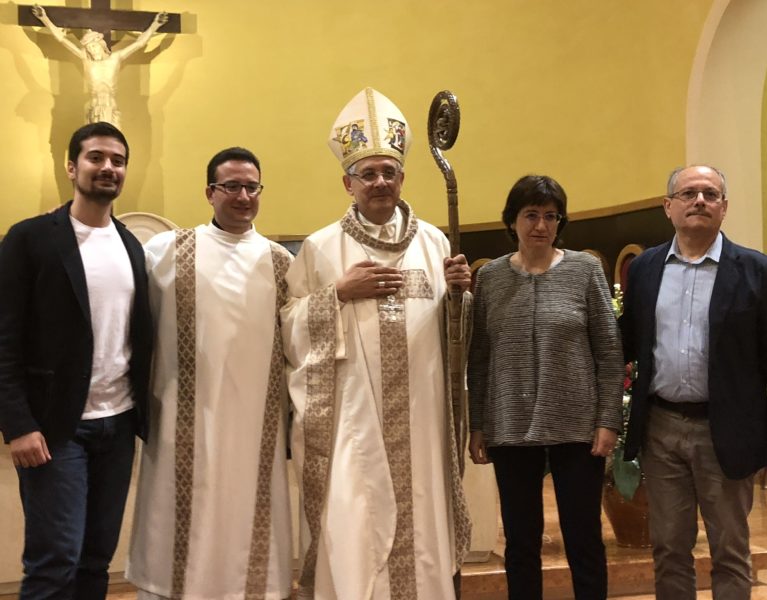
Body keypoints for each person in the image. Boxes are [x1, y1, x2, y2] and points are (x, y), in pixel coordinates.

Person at [281, 87, 472, 600]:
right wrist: (338, 294)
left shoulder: (435, 242)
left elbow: (452, 334)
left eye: (389, 171)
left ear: (402, 178)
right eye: (368, 174)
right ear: (348, 183)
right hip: (353, 419)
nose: (380, 182)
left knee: (423, 520)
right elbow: (289, 327)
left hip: (423, 418)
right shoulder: (322, 247)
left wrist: (461, 297)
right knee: (355, 523)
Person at [619, 165, 767, 599]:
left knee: (730, 551)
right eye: (688, 193)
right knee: (669, 549)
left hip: (729, 431)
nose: (699, 200)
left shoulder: (757, 271)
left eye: (710, 194)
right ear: (668, 207)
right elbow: (625, 343)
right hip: (661, 429)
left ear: (724, 207)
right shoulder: (644, 269)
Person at [126, 147, 293, 600]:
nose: (243, 196)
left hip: (256, 425)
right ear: (209, 192)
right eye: (231, 186)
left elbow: (304, 337)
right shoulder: (165, 251)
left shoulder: (281, 262)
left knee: (246, 514)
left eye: (252, 187)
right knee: (180, 518)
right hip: (181, 420)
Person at [0, 121, 152, 600]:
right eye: (96, 157)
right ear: (71, 167)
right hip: (55, 430)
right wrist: (18, 424)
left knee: (96, 560)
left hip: (118, 424)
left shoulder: (131, 246)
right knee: (55, 562)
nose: (108, 167)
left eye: (118, 161)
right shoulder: (30, 239)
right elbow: (4, 338)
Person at [467, 175, 624, 600]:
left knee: (584, 539)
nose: (541, 225)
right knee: (521, 543)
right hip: (510, 424)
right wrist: (478, 424)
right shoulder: (491, 278)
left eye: (551, 216)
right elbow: (479, 357)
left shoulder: (585, 270)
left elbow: (609, 352)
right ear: (512, 220)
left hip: (577, 426)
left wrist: (608, 420)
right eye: (531, 215)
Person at [31, 4, 169, 126]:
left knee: (112, 140)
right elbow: (62, 40)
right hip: (93, 107)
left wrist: (155, 24)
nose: (92, 50)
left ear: (101, 45)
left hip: (111, 106)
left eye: (94, 46)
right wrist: (44, 18)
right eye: (89, 48)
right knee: (92, 141)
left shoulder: (115, 58)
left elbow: (139, 43)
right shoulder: (87, 60)